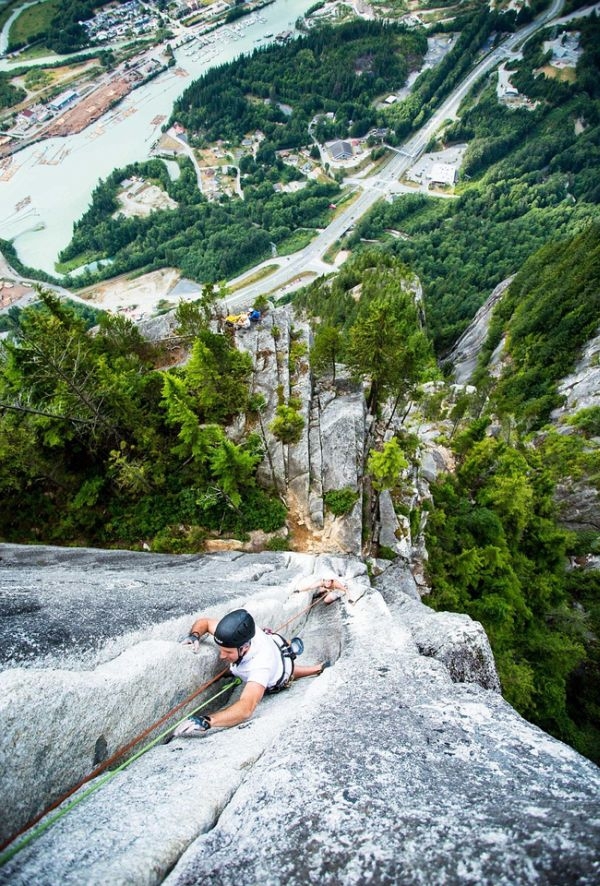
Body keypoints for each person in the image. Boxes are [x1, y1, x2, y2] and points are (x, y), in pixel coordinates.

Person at [173, 608, 327, 738]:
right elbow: (204, 622)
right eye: (221, 649)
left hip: (279, 672)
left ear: (245, 647)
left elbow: (246, 708)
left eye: (227, 652)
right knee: (233, 669)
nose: (221, 655)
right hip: (272, 643)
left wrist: (207, 721)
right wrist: (194, 636)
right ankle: (291, 649)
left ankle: (317, 668)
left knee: (290, 671)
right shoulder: (232, 635)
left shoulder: (260, 667)